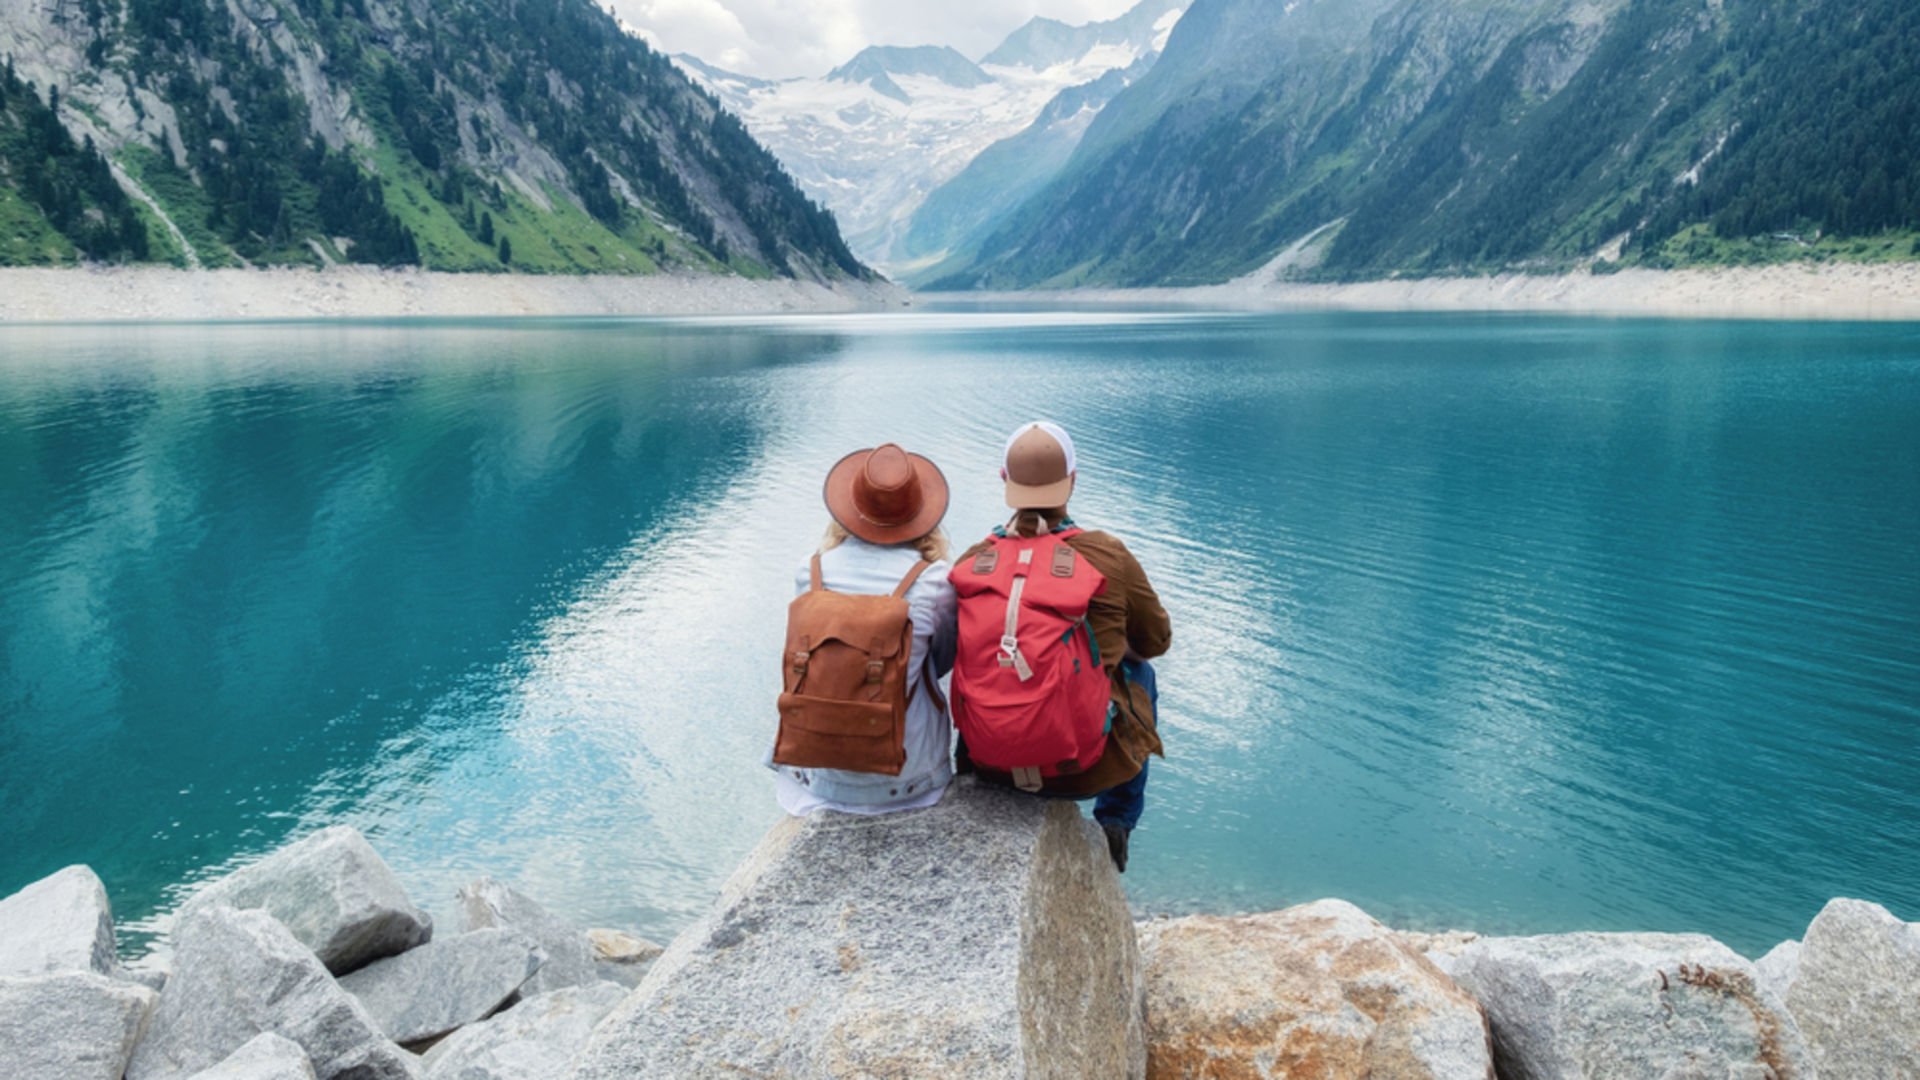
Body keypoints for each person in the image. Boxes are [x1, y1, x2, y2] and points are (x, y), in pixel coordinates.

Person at [957, 421, 1170, 871]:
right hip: (1083, 769)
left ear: (1003, 480)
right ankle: (1116, 821)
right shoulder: (1107, 553)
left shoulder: (974, 561)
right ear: (1072, 479)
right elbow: (1156, 642)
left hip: (989, 763)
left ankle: (969, 780)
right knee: (1141, 674)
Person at [770, 443, 958, 815]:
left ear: (850, 511)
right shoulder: (935, 580)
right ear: (920, 514)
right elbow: (943, 660)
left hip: (816, 775)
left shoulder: (811, 572)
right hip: (908, 780)